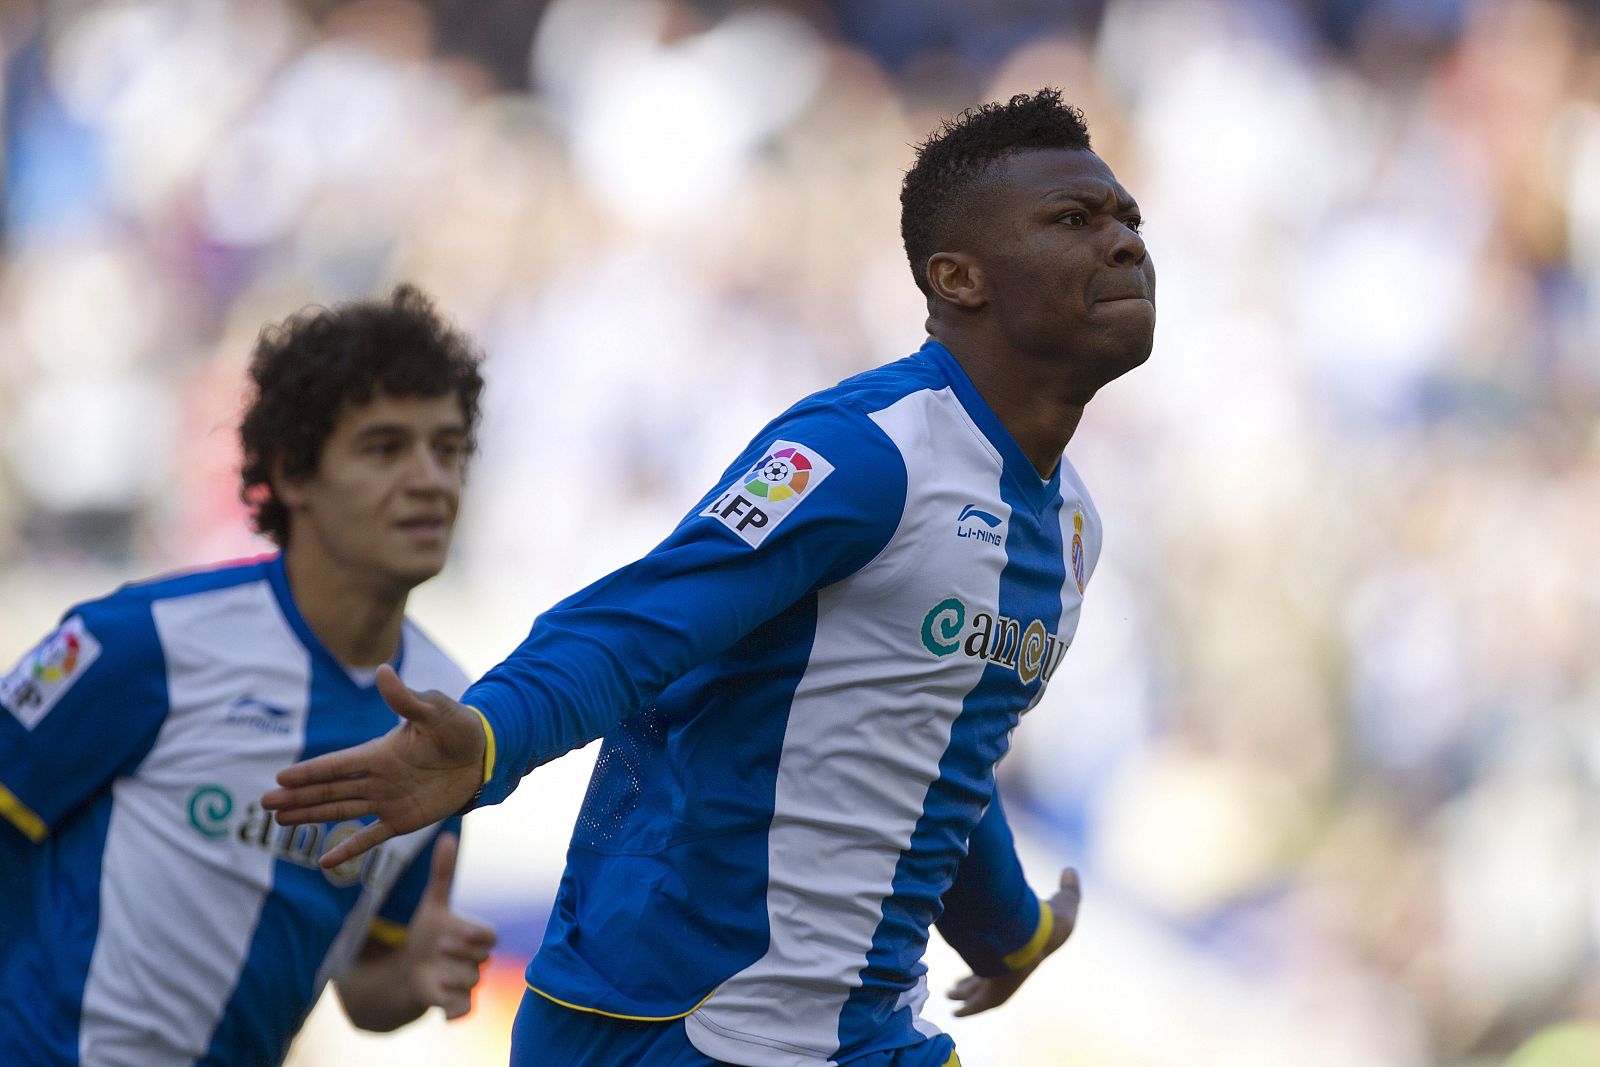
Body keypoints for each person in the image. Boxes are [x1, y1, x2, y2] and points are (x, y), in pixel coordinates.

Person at [264, 87, 1155, 1067]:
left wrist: (1004, 926)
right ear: (959, 277)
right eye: (1074, 220)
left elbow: (931, 731)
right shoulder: (863, 455)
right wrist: (488, 735)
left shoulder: (1071, 526)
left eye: (1126, 219)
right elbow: (640, 622)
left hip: (852, 1031)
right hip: (673, 1022)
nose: (1121, 242)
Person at [0, 286, 499, 1066]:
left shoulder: (446, 715)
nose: (430, 478)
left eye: (448, 447)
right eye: (384, 447)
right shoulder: (141, 640)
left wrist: (415, 972)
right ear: (295, 474)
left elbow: (368, 990)